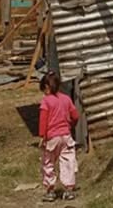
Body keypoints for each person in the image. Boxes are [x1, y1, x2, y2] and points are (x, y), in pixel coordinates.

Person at [38, 71, 79, 203]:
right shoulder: (66, 99)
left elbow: (43, 120)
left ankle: (50, 190)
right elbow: (75, 116)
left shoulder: (46, 101)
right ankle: (69, 190)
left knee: (48, 163)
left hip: (51, 138)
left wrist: (42, 136)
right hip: (66, 136)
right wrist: (71, 125)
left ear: (47, 87)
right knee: (67, 162)